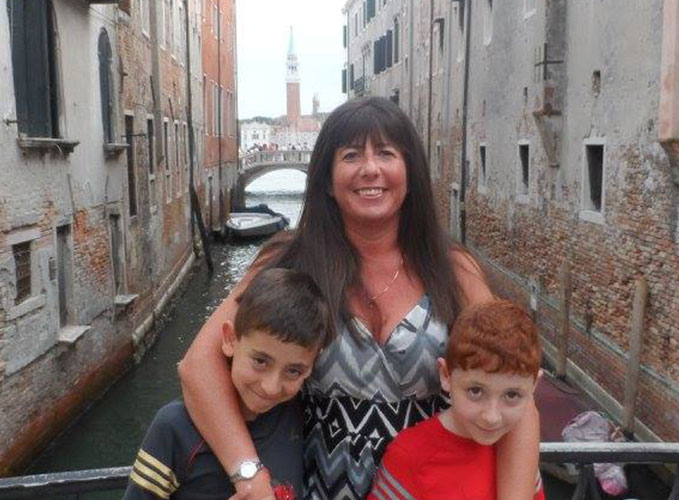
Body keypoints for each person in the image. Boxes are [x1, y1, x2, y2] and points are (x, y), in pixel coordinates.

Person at [178, 96, 540, 500]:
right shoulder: (289, 261)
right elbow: (198, 366)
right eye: (351, 155)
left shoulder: (452, 269)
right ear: (327, 180)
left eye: (386, 153)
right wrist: (249, 474)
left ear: (410, 171)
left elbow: (516, 389)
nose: (370, 169)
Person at [123, 268, 333, 500]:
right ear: (230, 339)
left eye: (293, 371)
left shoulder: (297, 415)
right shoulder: (173, 428)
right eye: (260, 361)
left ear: (312, 364)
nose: (271, 387)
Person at [367, 300, 545, 500]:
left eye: (512, 395)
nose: (491, 417)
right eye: (476, 391)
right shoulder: (410, 457)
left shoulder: (519, 451)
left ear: (534, 386)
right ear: (446, 375)